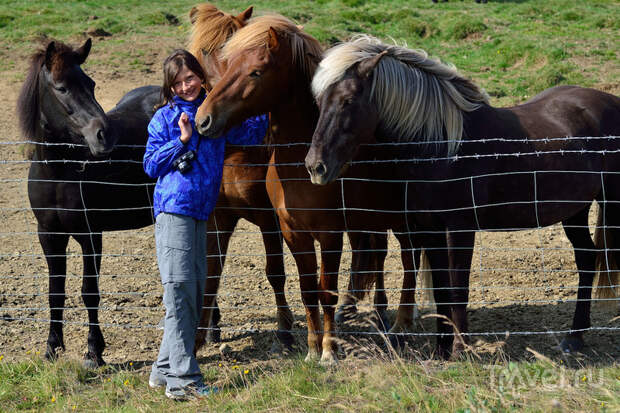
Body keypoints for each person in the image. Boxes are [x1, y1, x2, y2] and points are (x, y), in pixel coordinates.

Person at [143, 49, 267, 400]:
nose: (186, 86)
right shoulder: (165, 118)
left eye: (191, 78)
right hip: (174, 212)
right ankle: (183, 382)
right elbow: (151, 165)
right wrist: (180, 141)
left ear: (201, 77)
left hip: (201, 213)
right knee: (180, 291)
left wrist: (265, 99)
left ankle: (162, 371)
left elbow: (251, 133)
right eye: (178, 82)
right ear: (170, 86)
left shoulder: (211, 115)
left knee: (193, 293)